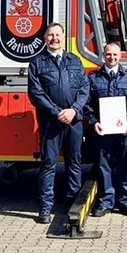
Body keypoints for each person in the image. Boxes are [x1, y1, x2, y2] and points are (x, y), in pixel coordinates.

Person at [27, 22, 90, 224]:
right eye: (50, 35)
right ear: (45, 38)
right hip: (50, 123)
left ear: (64, 37)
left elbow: (84, 88)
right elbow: (36, 94)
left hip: (74, 121)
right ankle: (45, 209)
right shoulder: (37, 63)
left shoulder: (74, 61)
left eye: (58, 35)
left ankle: (72, 206)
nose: (54, 38)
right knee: (48, 165)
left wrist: (73, 110)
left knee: (74, 164)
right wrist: (57, 112)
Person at [84, 43, 127, 218]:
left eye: (115, 55)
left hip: (124, 133)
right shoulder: (93, 78)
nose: (112, 58)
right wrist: (94, 122)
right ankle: (105, 203)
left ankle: (126, 203)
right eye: (108, 54)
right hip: (102, 133)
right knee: (104, 169)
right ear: (103, 55)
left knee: (125, 169)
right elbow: (86, 105)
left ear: (120, 56)